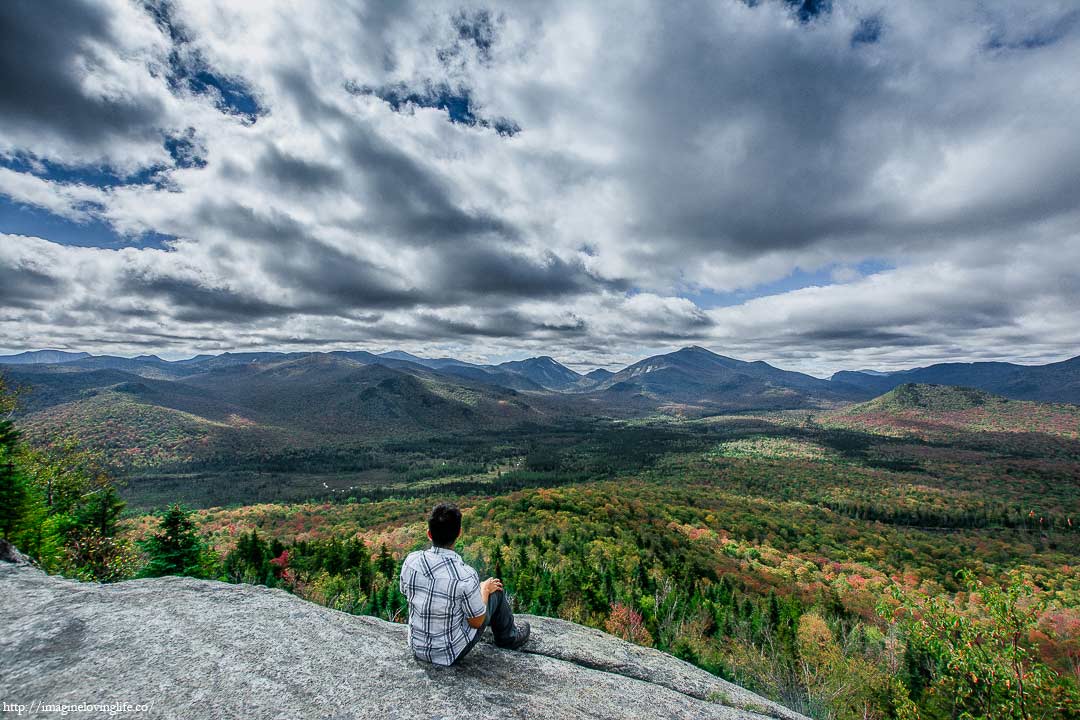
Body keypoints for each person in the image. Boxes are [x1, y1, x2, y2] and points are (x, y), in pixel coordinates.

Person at [399, 503, 531, 666]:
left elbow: (405, 592)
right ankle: (508, 638)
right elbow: (476, 622)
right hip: (449, 652)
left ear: (429, 534)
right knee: (494, 589)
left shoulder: (411, 561)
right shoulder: (464, 575)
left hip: (417, 647)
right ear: (459, 533)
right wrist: (484, 589)